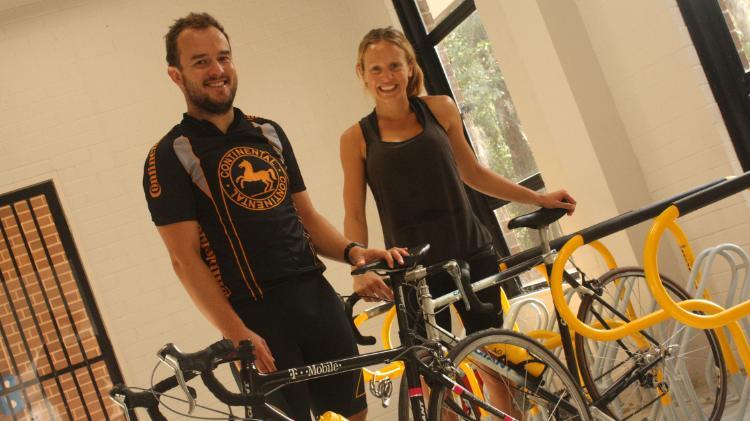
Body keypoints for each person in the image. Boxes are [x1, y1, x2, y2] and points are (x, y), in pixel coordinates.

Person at [142, 13, 406, 420]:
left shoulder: (268, 132)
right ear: (176, 75)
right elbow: (184, 259)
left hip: (317, 300)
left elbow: (307, 217)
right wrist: (235, 333)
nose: (217, 70)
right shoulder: (169, 154)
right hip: (255, 319)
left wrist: (353, 251)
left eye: (223, 57)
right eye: (201, 62)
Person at [340, 27, 576, 335]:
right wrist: (359, 270)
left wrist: (539, 198)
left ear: (410, 66)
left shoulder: (441, 109)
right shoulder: (355, 138)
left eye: (395, 65)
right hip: (411, 270)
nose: (387, 77)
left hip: (470, 251)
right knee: (428, 367)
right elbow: (355, 214)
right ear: (362, 73)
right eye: (376, 69)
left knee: (493, 358)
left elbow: (473, 173)